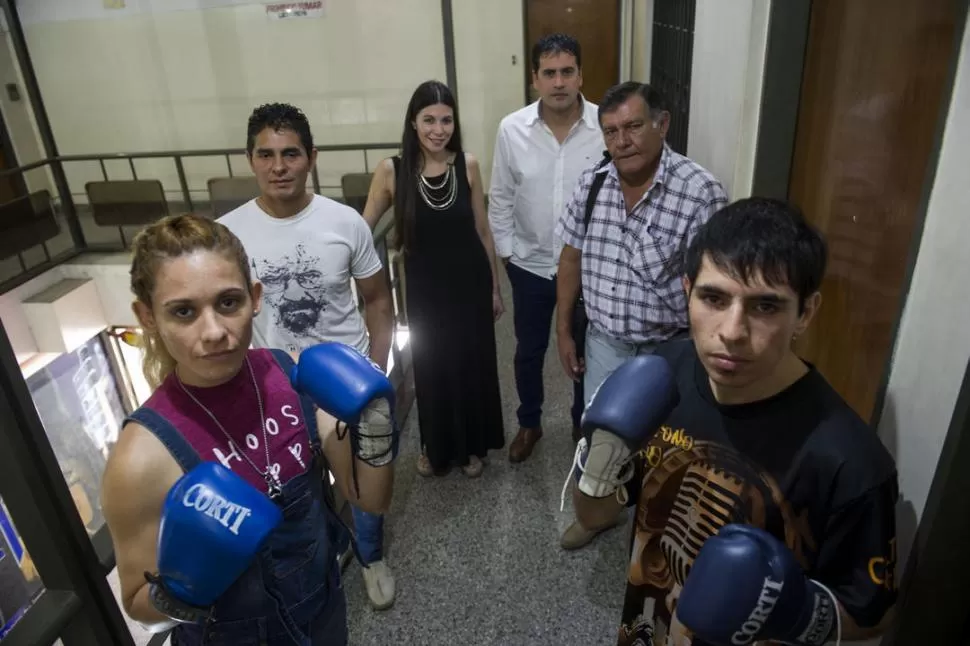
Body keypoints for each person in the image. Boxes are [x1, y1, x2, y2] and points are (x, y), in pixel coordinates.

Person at [571, 198, 899, 645]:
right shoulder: (663, 378)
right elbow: (594, 513)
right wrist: (600, 460)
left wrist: (797, 611)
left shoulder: (851, 461)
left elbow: (872, 615)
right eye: (713, 297)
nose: (732, 331)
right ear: (687, 290)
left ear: (806, 312)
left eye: (765, 306)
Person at [100, 214, 397, 645]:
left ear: (255, 298)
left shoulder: (286, 372)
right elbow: (137, 602)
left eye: (228, 302)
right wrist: (188, 585)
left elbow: (370, 496)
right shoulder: (140, 458)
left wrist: (375, 425)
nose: (215, 332)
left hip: (323, 608)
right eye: (184, 312)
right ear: (147, 316)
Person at [216, 103, 397, 610]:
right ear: (249, 159)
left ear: (311, 157)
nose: (279, 166)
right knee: (297, 485)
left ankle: (370, 553)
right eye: (266, 154)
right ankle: (322, 559)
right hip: (274, 383)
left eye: (291, 153)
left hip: (345, 375)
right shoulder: (226, 236)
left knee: (364, 476)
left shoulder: (345, 223)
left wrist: (375, 371)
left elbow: (380, 302)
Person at [554, 81, 728, 550]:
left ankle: (661, 534)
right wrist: (564, 327)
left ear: (662, 124)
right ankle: (596, 518)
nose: (621, 141)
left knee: (671, 452)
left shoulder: (700, 193)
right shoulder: (593, 183)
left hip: (670, 349)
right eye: (610, 131)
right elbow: (570, 256)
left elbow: (713, 289)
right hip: (606, 343)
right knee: (601, 443)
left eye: (632, 126)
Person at [361, 80, 505, 478]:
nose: (438, 129)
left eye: (446, 120)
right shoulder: (392, 170)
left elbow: (483, 231)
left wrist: (494, 287)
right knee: (431, 366)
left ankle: (472, 446)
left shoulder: (468, 164)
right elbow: (363, 226)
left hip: (470, 284)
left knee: (470, 363)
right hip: (424, 289)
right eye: (429, 120)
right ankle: (435, 446)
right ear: (413, 122)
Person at [488, 33, 605, 462]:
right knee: (528, 350)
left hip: (589, 267)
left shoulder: (603, 127)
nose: (559, 82)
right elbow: (499, 196)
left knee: (585, 349)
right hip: (530, 265)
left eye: (567, 72)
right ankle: (529, 422)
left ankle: (582, 421)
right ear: (535, 78)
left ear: (580, 75)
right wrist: (507, 255)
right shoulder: (511, 129)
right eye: (549, 73)